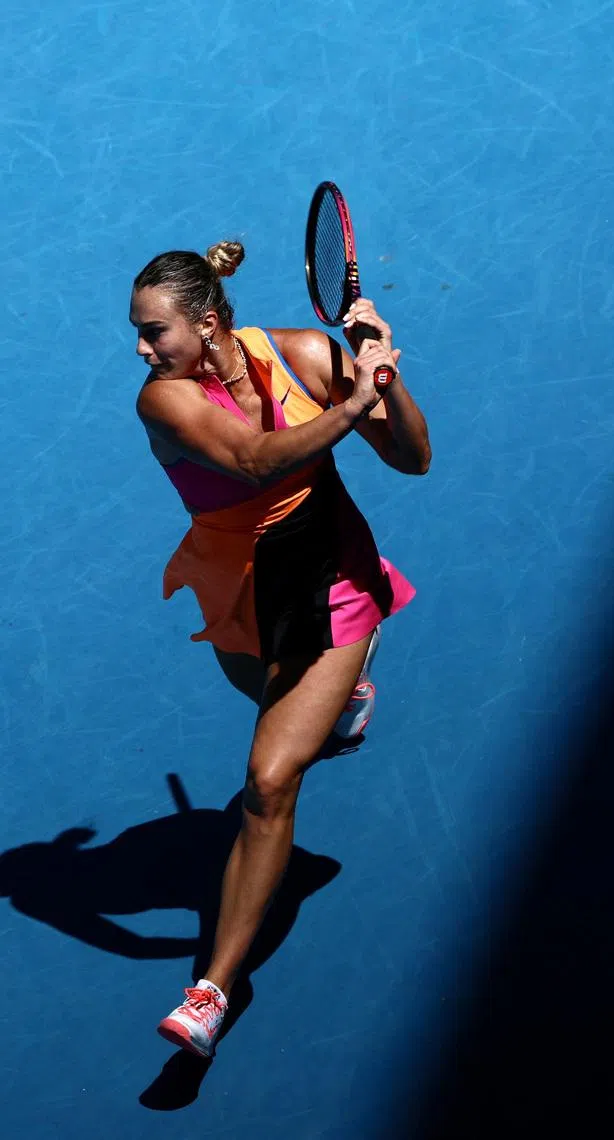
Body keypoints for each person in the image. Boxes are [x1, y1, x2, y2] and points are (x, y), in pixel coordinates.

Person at [130, 240, 431, 1059]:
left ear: (208, 319)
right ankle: (342, 698)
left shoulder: (303, 355)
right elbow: (251, 459)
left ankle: (215, 989)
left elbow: (413, 459)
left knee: (268, 783)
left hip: (332, 579)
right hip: (237, 587)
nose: (143, 350)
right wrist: (348, 405)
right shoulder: (164, 402)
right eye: (141, 334)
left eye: (156, 332)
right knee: (263, 690)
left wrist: (385, 382)